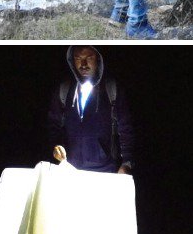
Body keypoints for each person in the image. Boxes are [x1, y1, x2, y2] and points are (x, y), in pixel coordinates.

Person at [48, 45, 134, 174]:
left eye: (89, 57)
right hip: (70, 171)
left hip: (105, 171)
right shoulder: (64, 90)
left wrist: (127, 163)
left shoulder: (111, 89)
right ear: (72, 61)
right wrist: (55, 146)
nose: (83, 64)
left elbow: (126, 129)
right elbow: (52, 126)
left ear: (98, 59)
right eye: (78, 58)